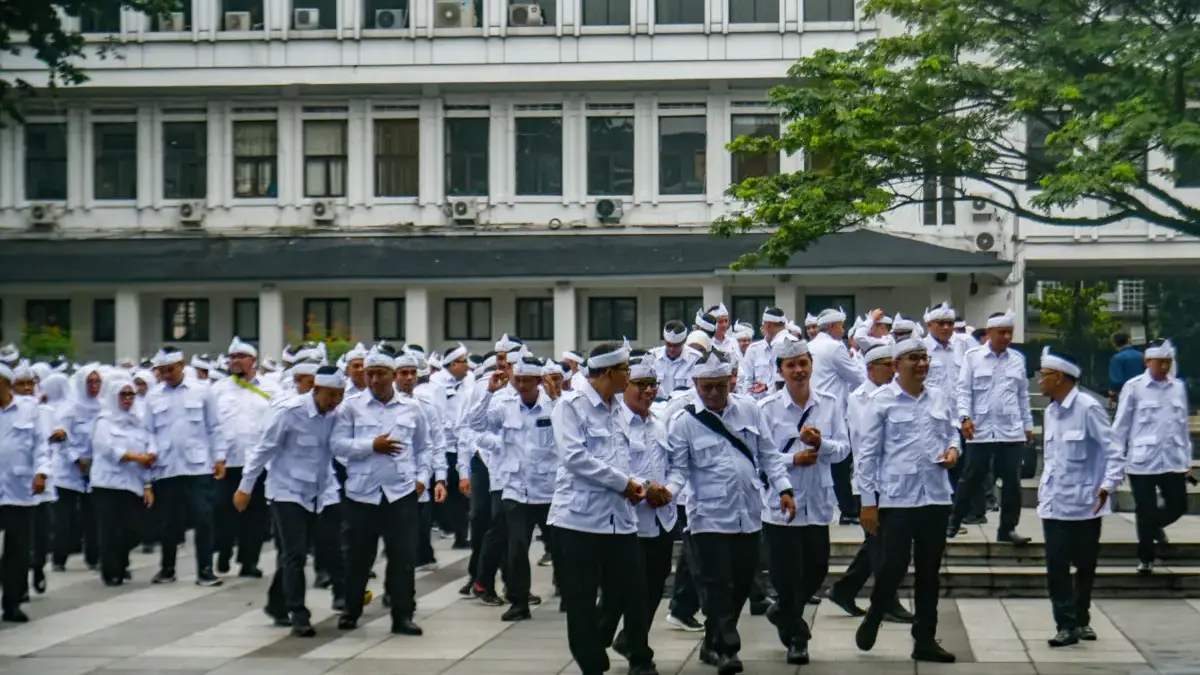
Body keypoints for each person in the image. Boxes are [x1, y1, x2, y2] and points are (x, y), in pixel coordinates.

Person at [667, 349, 796, 675]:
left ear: (731, 382)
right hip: (708, 517)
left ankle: (712, 644)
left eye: (720, 386)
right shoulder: (684, 421)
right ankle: (728, 649)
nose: (713, 393)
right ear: (695, 383)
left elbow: (768, 453)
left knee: (740, 584)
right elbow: (678, 471)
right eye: (706, 386)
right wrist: (666, 495)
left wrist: (784, 489)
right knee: (718, 584)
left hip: (748, 513)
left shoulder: (750, 410)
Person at [549, 342, 658, 675]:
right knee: (581, 601)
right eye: (626, 371)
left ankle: (638, 655)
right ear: (609, 372)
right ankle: (593, 664)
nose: (630, 377)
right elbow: (576, 458)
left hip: (619, 519)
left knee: (633, 592)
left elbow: (625, 457)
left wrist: (641, 484)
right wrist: (624, 482)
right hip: (577, 521)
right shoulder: (571, 406)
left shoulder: (618, 409)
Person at [854, 338, 958, 663]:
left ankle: (924, 638)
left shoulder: (938, 397)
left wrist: (954, 451)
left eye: (924, 358)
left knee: (930, 571)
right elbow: (867, 455)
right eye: (914, 358)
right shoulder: (880, 401)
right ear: (897, 365)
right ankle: (876, 611)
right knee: (893, 565)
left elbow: (952, 431)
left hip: (935, 496)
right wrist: (868, 502)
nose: (922, 364)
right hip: (897, 498)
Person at [757, 335, 848, 665]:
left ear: (812, 365)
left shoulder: (829, 403)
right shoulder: (766, 409)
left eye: (803, 364)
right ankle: (796, 636)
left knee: (816, 569)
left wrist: (821, 444)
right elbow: (760, 458)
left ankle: (782, 611)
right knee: (785, 575)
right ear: (780, 370)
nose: (798, 370)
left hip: (818, 502)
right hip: (781, 504)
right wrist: (793, 460)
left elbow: (843, 451)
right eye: (791, 365)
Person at [237, 365, 345, 637]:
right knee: (296, 553)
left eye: (339, 395)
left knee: (294, 552)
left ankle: (275, 603)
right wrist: (245, 487)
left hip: (318, 492)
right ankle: (298, 612)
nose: (334, 401)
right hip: (286, 491)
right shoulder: (290, 412)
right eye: (329, 395)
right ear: (315, 389)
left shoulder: (336, 415)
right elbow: (263, 449)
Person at [1037, 347, 1124, 647]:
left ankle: (1081, 618)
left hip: (1086, 503)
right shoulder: (1051, 410)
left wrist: (1108, 485)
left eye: (1043, 375)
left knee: (1085, 565)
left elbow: (1114, 451)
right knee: (1056, 567)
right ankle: (1065, 624)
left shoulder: (1088, 408)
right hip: (1054, 502)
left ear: (1059, 377)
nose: (1039, 381)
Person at [825, 340, 914, 624]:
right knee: (883, 546)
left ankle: (844, 589)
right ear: (870, 369)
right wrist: (867, 492)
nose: (892, 370)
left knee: (880, 544)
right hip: (872, 481)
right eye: (887, 366)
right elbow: (866, 444)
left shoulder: (897, 393)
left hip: (897, 479)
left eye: (894, 365)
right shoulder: (861, 397)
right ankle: (887, 600)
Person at [948, 311, 1033, 545]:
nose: (1006, 337)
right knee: (970, 478)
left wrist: (1027, 425)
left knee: (1012, 484)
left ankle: (1007, 529)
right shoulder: (972, 357)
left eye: (1009, 333)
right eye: (1001, 332)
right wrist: (964, 418)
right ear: (989, 333)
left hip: (1010, 429)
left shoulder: (1017, 359)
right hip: (980, 429)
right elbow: (963, 391)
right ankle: (953, 523)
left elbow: (1023, 395)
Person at [1112, 339, 1192, 575]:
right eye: (1160, 362)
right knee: (1145, 508)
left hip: (1172, 458)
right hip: (1142, 460)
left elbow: (1182, 425)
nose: (1165, 367)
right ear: (1147, 361)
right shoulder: (1134, 387)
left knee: (1178, 505)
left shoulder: (1177, 387)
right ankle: (1146, 558)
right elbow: (1121, 425)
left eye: (1168, 362)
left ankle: (1153, 527)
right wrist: (1115, 457)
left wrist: (1186, 460)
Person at [89, 375, 156, 587]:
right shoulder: (103, 421)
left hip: (132, 484)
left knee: (134, 529)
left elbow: (148, 450)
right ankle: (112, 571)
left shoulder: (139, 421)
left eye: (131, 394)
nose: (128, 399)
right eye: (123, 394)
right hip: (107, 484)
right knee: (110, 529)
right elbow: (107, 449)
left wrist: (147, 484)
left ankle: (120, 560)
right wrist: (137, 458)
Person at [0, 363, 52, 622]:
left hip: (19, 490)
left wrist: (41, 473)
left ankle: (12, 602)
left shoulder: (29, 410)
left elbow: (40, 445)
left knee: (18, 551)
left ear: (7, 385)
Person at [1108, 331, 1144, 404]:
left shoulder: (1117, 358)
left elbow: (1117, 381)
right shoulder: (1142, 356)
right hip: (1143, 394)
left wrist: (1112, 394)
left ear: (1114, 344)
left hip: (1125, 397)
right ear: (1128, 341)